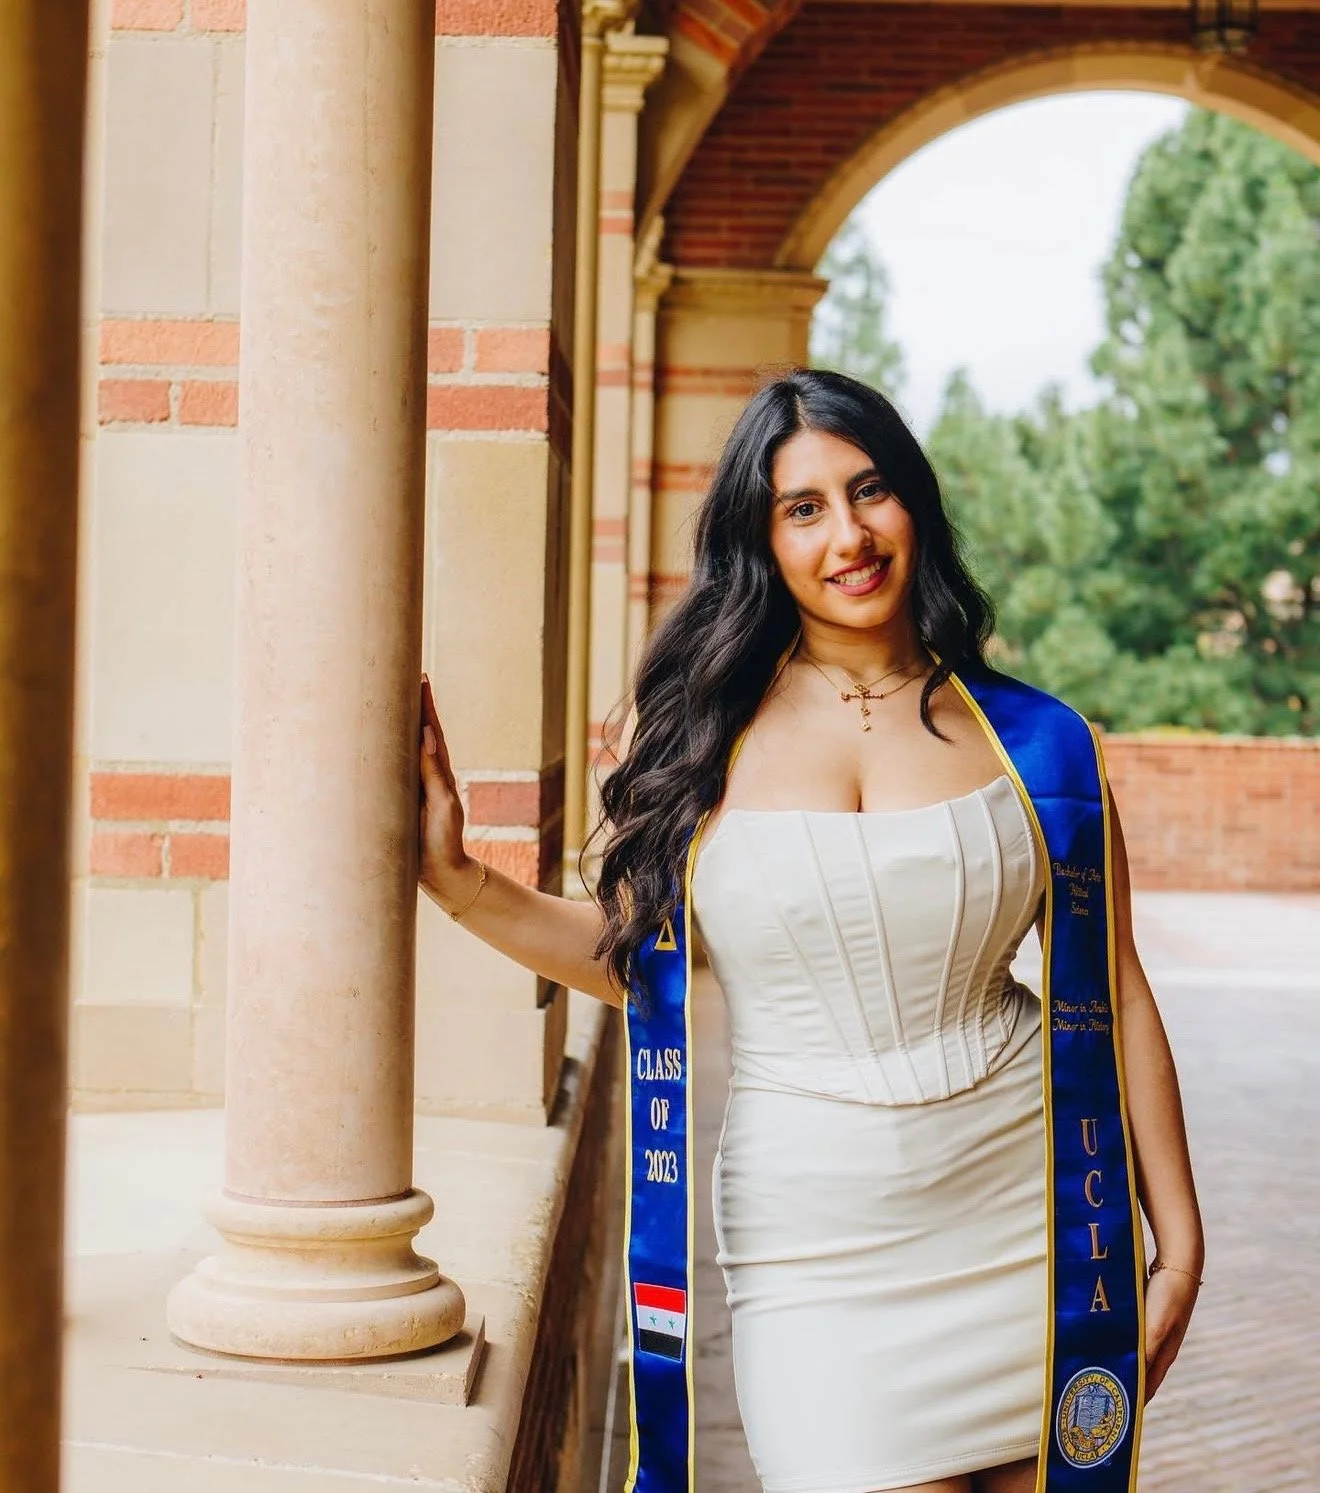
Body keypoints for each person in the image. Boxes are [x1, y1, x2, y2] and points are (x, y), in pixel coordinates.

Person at [417, 368, 1204, 1493]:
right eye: (805, 507)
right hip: (817, 1247)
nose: (850, 533)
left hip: (1029, 1218)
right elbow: (635, 961)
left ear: (915, 503)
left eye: (870, 489)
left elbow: (1115, 991)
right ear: (761, 538)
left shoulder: (1041, 742)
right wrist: (451, 879)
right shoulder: (694, 735)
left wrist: (1178, 1237)